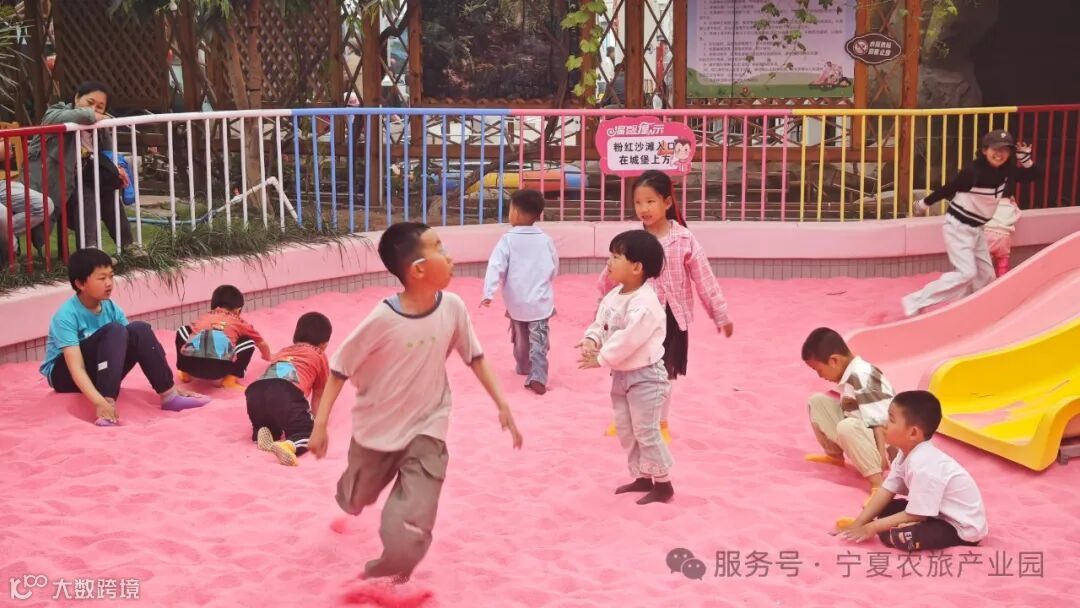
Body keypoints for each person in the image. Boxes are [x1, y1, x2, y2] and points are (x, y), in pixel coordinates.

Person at [308, 222, 523, 583]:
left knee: (417, 502)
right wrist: (320, 426)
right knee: (358, 498)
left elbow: (474, 357)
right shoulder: (382, 318)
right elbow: (340, 369)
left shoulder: (453, 306)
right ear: (418, 270)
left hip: (428, 423)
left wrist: (502, 403)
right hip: (377, 428)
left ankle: (402, 553)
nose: (450, 257)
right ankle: (351, 494)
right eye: (439, 248)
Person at [599, 170, 734, 443]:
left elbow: (704, 278)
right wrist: (604, 307)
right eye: (638, 202)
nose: (644, 209)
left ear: (667, 202)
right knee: (627, 368)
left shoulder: (684, 239)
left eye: (650, 201)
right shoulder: (633, 242)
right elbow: (611, 274)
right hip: (635, 316)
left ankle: (660, 423)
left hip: (671, 317)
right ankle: (625, 419)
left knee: (663, 373)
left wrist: (719, 313)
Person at [39, 248, 210, 426]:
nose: (109, 283)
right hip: (65, 376)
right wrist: (100, 403)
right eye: (102, 278)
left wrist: (170, 383)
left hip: (98, 371)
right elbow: (77, 368)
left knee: (139, 329)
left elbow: (130, 342)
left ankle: (169, 395)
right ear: (80, 283)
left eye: (111, 276)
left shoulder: (111, 307)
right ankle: (108, 407)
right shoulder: (66, 315)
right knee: (115, 330)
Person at [580, 230, 674, 505]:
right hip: (621, 375)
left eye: (616, 256)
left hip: (647, 377)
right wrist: (591, 339)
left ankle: (664, 483)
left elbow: (629, 338)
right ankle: (643, 476)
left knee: (646, 430)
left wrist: (601, 358)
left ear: (636, 267)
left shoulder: (645, 303)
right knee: (626, 428)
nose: (609, 262)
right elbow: (601, 323)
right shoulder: (614, 295)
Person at [831, 391, 988, 551]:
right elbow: (886, 490)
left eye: (891, 419)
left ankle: (900, 530)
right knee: (886, 507)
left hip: (958, 528)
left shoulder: (924, 466)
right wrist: (858, 524)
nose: (884, 423)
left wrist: (870, 528)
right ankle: (897, 526)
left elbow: (917, 514)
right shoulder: (905, 453)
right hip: (934, 514)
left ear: (913, 433)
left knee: (900, 537)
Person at [902, 130, 1036, 316]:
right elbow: (948, 188)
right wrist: (923, 204)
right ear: (985, 150)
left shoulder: (1006, 171)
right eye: (995, 149)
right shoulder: (974, 172)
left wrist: (1025, 158)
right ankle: (914, 301)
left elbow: (1033, 176)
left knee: (986, 275)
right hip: (959, 226)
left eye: (1005, 150)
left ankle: (966, 309)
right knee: (966, 273)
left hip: (977, 228)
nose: (1000, 154)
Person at [25, 80, 142, 256]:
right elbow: (52, 119)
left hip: (86, 179)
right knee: (87, 193)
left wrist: (117, 168)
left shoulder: (100, 128)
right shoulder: (56, 112)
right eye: (89, 102)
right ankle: (89, 252)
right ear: (76, 98)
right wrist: (93, 116)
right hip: (56, 185)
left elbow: (108, 155)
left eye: (100, 107)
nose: (94, 109)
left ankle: (128, 246)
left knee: (108, 193)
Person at [480, 189, 558, 394]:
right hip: (540, 300)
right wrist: (546, 281)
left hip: (516, 301)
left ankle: (523, 365)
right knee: (539, 339)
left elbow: (495, 266)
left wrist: (488, 293)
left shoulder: (507, 240)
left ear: (515, 212)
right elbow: (554, 267)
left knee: (521, 338)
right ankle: (538, 375)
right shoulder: (545, 239)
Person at [802, 327, 894, 494]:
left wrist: (882, 459)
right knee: (817, 401)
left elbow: (882, 424)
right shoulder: (850, 374)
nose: (820, 376)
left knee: (847, 426)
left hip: (886, 444)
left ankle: (878, 484)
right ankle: (834, 456)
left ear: (834, 361)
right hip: (863, 431)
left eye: (819, 370)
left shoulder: (863, 375)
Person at [248, 312, 332, 466]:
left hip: (255, 391)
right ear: (324, 345)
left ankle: (265, 430)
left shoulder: (284, 351)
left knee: (274, 420)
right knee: (308, 432)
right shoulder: (319, 355)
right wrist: (318, 423)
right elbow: (319, 395)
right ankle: (288, 445)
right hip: (284, 391)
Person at [175, 284, 271, 389]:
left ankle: (185, 372)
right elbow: (261, 343)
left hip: (191, 367)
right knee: (248, 341)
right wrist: (267, 357)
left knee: (184, 330)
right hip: (219, 370)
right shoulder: (239, 322)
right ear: (238, 310)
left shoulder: (204, 317)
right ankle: (230, 379)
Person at [984, 197, 1021, 277]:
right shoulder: (1011, 206)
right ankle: (1002, 279)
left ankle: (986, 281)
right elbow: (1018, 214)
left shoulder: (989, 202)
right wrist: (1014, 203)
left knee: (985, 262)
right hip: (1004, 236)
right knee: (1003, 260)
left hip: (988, 234)